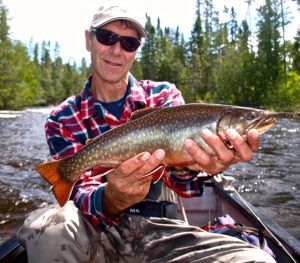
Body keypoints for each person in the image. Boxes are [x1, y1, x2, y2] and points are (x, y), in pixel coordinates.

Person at [17, 3, 276, 263]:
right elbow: (77, 196)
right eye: (107, 38)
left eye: (129, 43)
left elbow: (186, 183)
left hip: (161, 232)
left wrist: (204, 166)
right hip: (92, 232)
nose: (117, 50)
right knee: (46, 228)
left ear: (136, 51)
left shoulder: (164, 97)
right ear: (89, 39)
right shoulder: (62, 118)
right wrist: (111, 198)